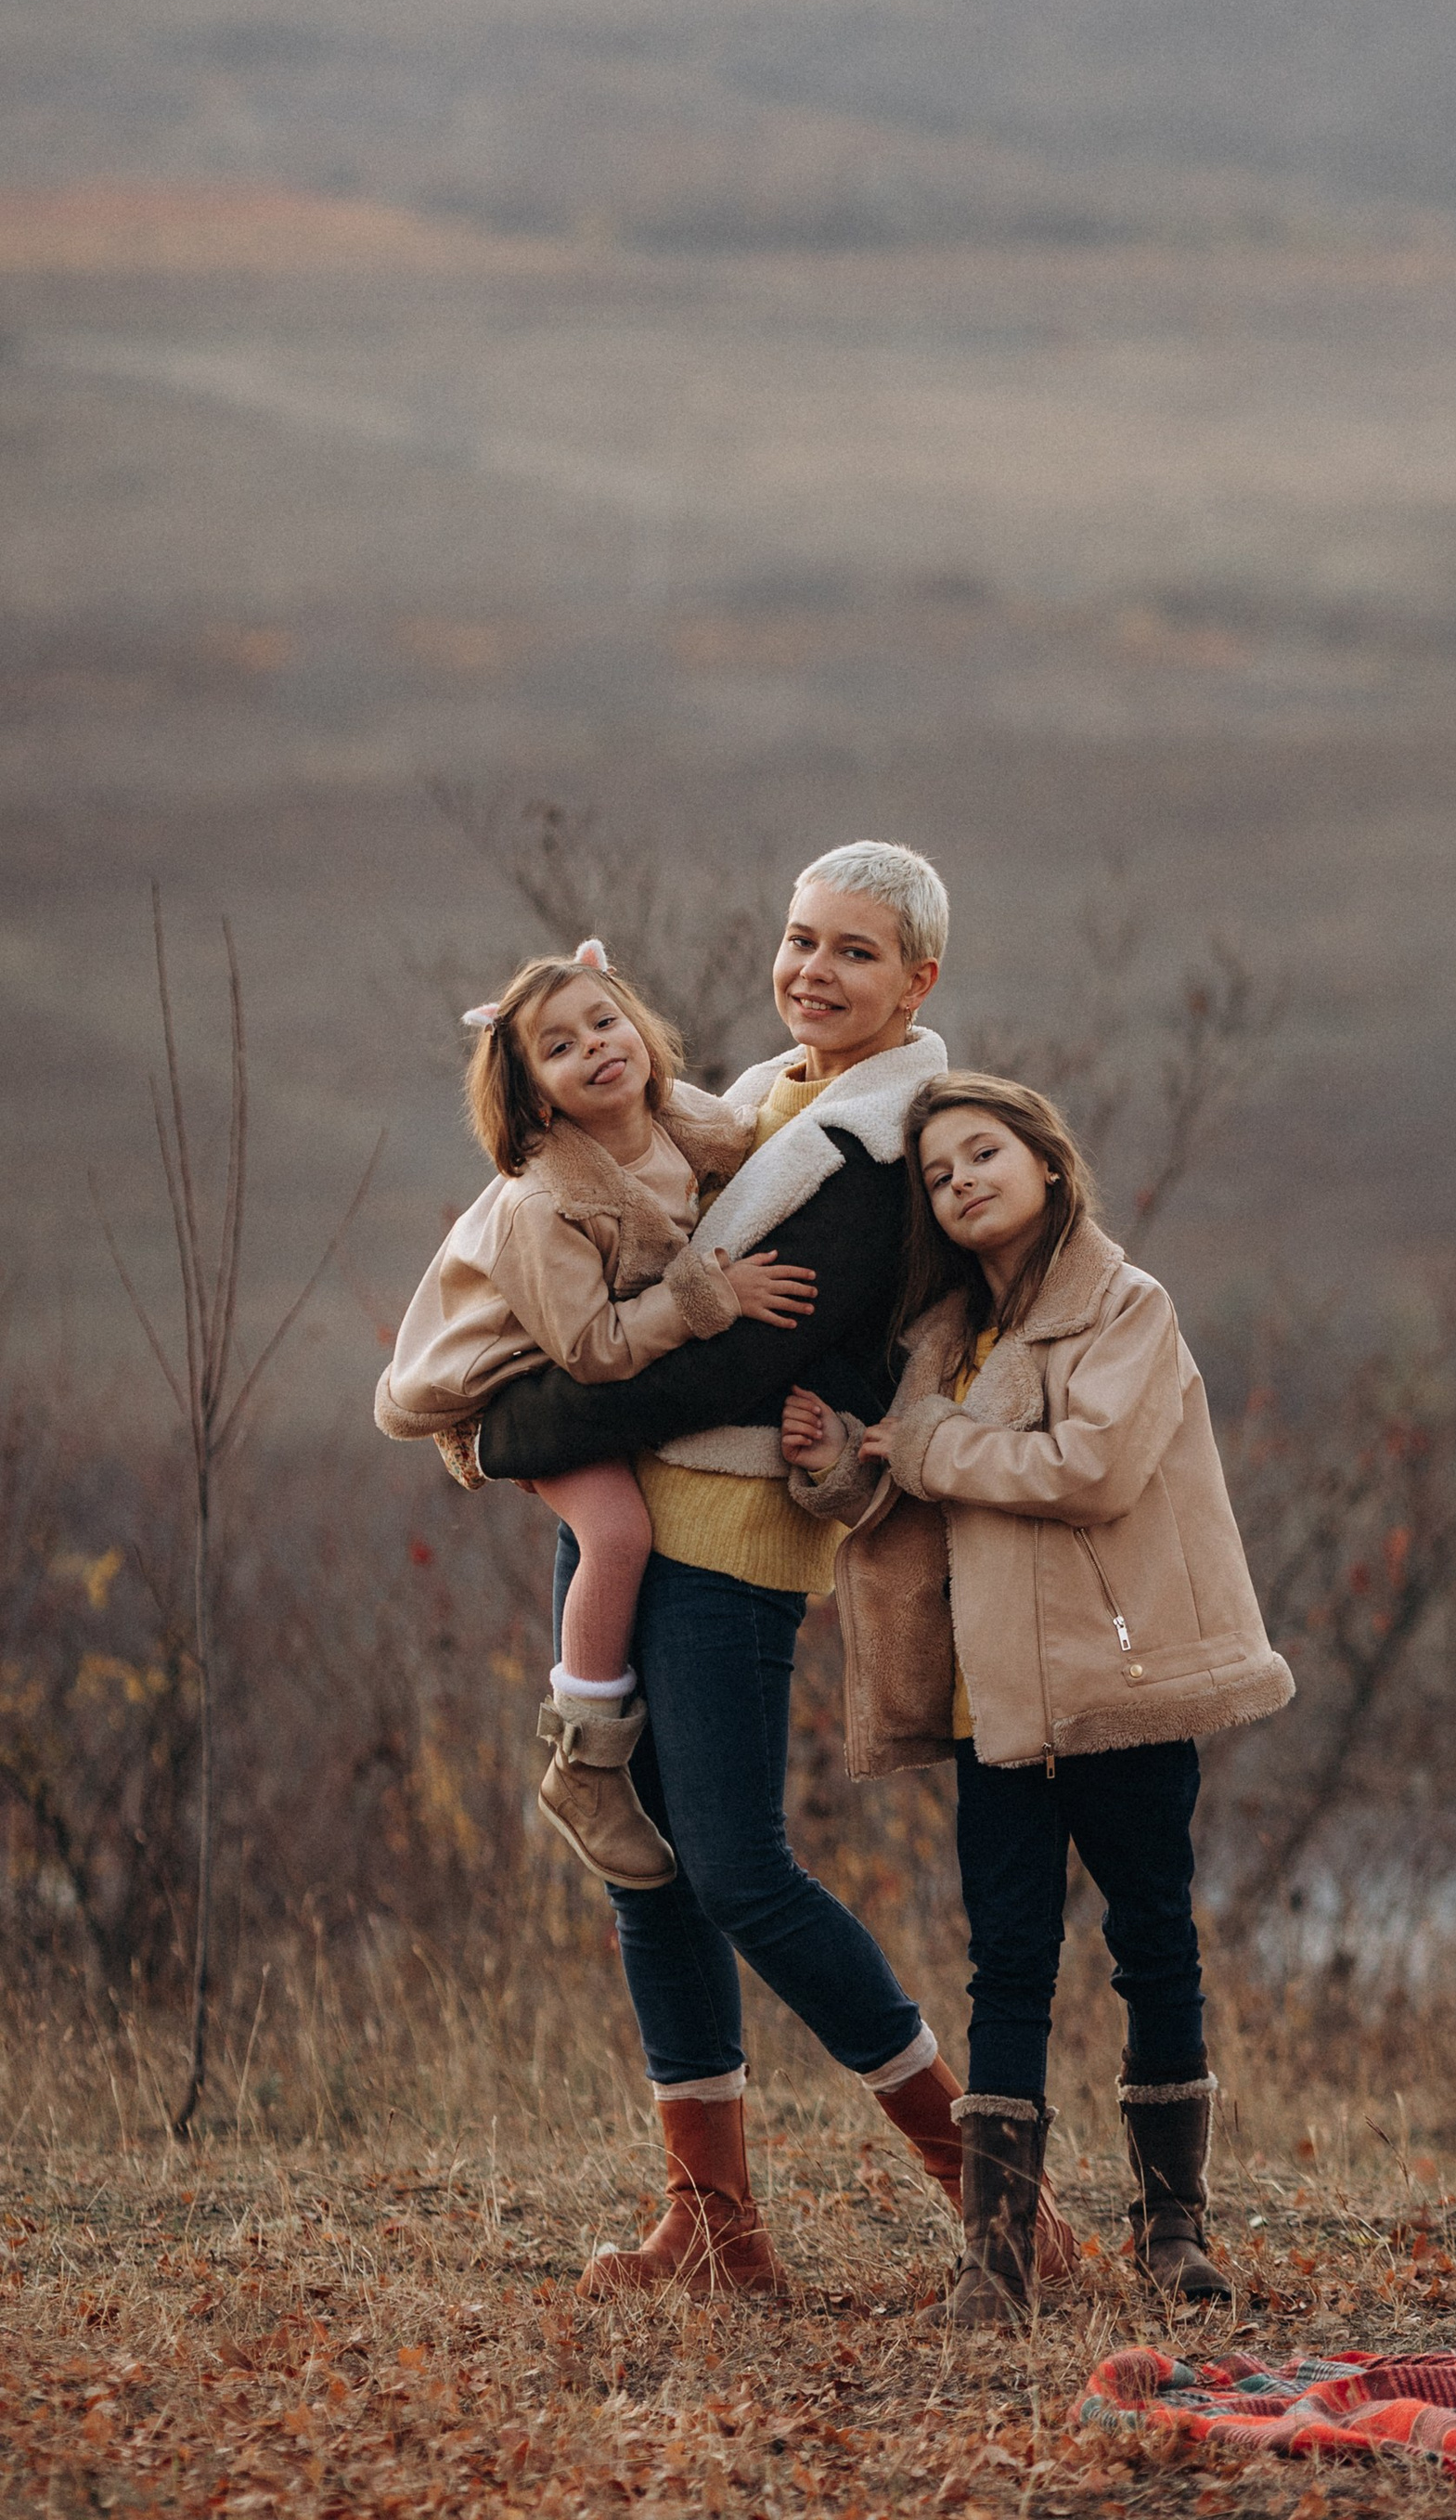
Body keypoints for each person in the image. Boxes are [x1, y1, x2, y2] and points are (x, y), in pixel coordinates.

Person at [454, 846, 1073, 2301]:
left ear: (919, 980)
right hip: (631, 1518)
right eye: (801, 939)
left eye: (855, 952)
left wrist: (508, 1428)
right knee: (647, 1867)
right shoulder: (764, 1098)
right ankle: (715, 2229)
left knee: (738, 1868)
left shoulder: (880, 1148)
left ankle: (1002, 2205)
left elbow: (732, 1364)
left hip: (728, 1536)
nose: (814, 971)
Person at [781, 1070, 1295, 2332]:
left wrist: (923, 1446)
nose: (961, 1181)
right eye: (939, 1173)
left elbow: (1089, 1468)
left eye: (983, 1154)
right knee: (1006, 1965)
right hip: (994, 1703)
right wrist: (841, 1468)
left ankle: (1173, 2234)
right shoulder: (942, 1341)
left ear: (1048, 1163)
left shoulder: (1126, 1306)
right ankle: (997, 2259)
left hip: (1119, 1686)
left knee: (1153, 1943)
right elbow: (920, 1499)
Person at [376, 937, 810, 1889]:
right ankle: (584, 1765)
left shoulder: (671, 1116)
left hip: (580, 1363)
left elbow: (753, 1130)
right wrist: (712, 1294)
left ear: (640, 1032)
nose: (597, 1048)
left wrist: (823, 1075)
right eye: (561, 1047)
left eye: (605, 1022)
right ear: (536, 1098)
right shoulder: (542, 1203)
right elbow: (593, 1351)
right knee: (617, 1532)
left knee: (621, 1531)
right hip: (511, 1389)